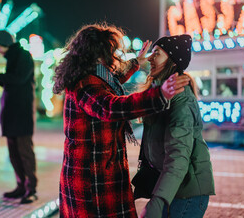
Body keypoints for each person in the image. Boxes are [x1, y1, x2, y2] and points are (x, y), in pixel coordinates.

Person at [52, 23, 190, 217]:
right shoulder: (85, 84)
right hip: (91, 182)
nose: (115, 56)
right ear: (98, 53)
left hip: (98, 172)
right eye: (111, 51)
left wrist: (136, 63)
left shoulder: (95, 76)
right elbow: (112, 106)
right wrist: (158, 95)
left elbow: (113, 82)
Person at [134, 34, 215, 218]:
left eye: (157, 54)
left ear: (172, 60)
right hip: (173, 189)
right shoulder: (160, 94)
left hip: (186, 194)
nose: (149, 58)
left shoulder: (180, 100)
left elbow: (178, 156)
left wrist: (158, 200)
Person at [0, 30, 37, 204]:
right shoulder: (13, 57)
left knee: (24, 152)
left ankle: (31, 188)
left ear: (6, 44)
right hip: (12, 113)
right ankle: (21, 186)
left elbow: (18, 79)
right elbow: (12, 81)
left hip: (21, 113)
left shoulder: (23, 56)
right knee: (14, 153)